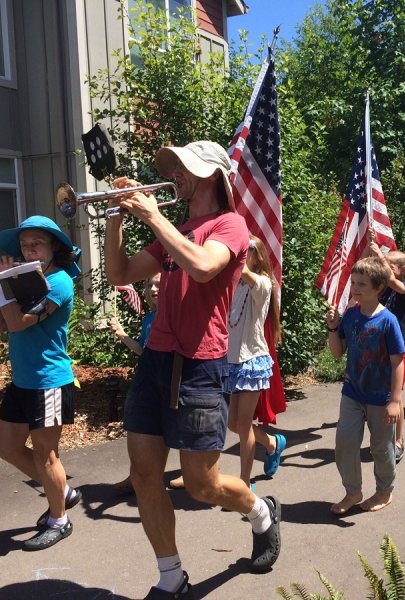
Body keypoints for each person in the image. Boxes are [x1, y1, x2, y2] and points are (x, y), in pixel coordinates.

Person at [104, 141, 281, 598]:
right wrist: (115, 219)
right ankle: (171, 577)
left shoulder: (231, 225)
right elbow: (120, 273)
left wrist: (152, 218)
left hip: (202, 365)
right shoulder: (175, 228)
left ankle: (261, 512)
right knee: (144, 476)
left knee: (201, 485)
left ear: (211, 175)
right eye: (174, 167)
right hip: (156, 361)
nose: (174, 175)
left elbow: (203, 267)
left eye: (182, 167)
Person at [0, 215, 82, 551]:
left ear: (54, 247)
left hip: (49, 381)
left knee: (45, 455)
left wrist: (1, 283)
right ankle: (63, 493)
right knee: (8, 449)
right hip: (23, 381)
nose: (28, 250)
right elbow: (0, 326)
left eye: (36, 243)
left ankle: (60, 520)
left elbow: (19, 323)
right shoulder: (22, 282)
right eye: (24, 245)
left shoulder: (59, 283)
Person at [325, 257, 404, 515]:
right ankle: (353, 491)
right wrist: (333, 328)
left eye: (362, 284)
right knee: (345, 442)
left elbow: (397, 363)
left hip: (380, 397)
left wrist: (395, 400)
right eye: (354, 283)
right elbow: (338, 353)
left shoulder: (388, 320)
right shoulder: (350, 315)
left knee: (381, 448)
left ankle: (384, 490)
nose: (355, 288)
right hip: (352, 392)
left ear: (379, 287)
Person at [226, 235, 287, 490]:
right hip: (231, 361)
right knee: (233, 424)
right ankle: (272, 443)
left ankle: (244, 482)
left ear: (257, 256)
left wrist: (231, 246)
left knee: (242, 425)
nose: (241, 254)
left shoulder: (263, 283)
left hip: (252, 360)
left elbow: (243, 270)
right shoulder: (235, 284)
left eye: (245, 250)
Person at [365, 234, 405, 463]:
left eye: (390, 265)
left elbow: (394, 283)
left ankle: (398, 441)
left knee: (395, 394)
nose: (384, 267)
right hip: (378, 347)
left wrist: (379, 254)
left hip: (401, 348)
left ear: (404, 269)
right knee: (379, 393)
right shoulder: (381, 288)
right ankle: (381, 436)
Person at [109, 274, 160, 493]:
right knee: (137, 427)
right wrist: (122, 334)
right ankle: (136, 476)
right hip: (147, 380)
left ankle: (194, 473)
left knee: (172, 431)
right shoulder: (150, 317)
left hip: (166, 382)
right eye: (150, 284)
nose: (153, 288)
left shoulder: (175, 316)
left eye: (159, 283)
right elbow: (142, 351)